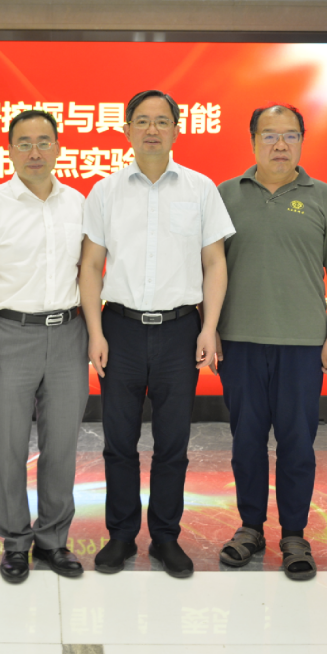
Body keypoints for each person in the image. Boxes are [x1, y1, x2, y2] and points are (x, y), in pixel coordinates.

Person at [79, 89, 233, 579]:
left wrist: (209, 326)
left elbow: (215, 263)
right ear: (126, 129)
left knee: (173, 444)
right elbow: (90, 265)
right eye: (142, 121)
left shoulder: (200, 188)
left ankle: (166, 536)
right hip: (119, 329)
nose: (151, 129)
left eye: (162, 121)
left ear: (176, 129)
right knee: (118, 442)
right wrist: (95, 331)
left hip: (180, 330)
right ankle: (121, 535)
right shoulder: (105, 191)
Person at [215, 105, 327, 580]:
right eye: (270, 135)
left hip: (302, 344)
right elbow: (209, 267)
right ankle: (250, 527)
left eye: (290, 135)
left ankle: (294, 533)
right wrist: (210, 329)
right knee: (246, 441)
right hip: (239, 341)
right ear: (252, 139)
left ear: (302, 141)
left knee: (297, 443)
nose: (280, 144)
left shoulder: (325, 198)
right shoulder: (225, 195)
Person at [0, 109, 89, 584]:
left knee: (62, 446)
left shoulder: (78, 203)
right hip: (9, 335)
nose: (35, 152)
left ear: (58, 147)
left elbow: (89, 272)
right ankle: (14, 541)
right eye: (24, 143)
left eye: (44, 141)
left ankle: (53, 539)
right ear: (9, 150)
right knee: (10, 446)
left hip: (69, 334)